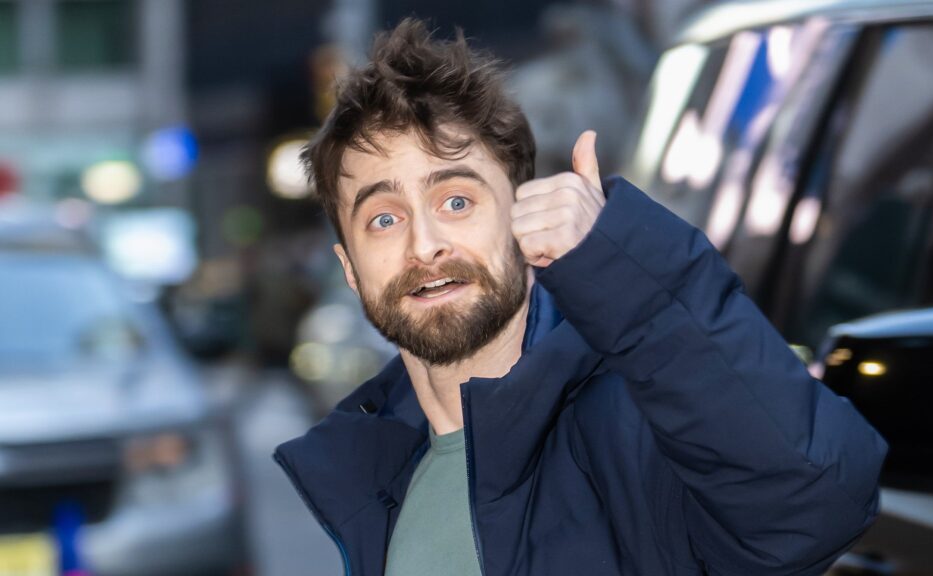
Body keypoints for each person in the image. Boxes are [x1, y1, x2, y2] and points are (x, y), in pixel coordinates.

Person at [275, 18, 887, 576]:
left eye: (456, 201)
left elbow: (813, 506)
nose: (425, 244)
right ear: (350, 269)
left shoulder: (640, 428)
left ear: (523, 218)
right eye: (383, 219)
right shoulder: (379, 479)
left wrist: (619, 266)